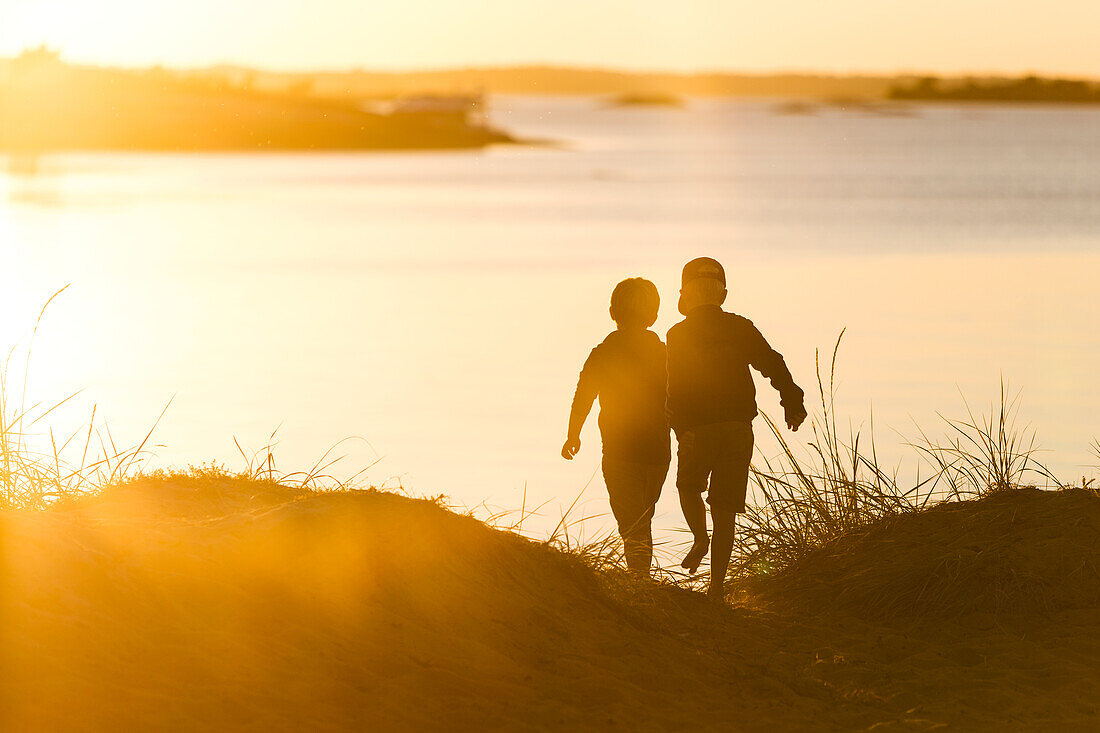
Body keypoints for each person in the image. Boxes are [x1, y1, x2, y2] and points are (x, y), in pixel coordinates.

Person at [666, 257, 807, 599]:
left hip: (698, 429)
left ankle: (700, 537)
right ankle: (716, 588)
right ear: (723, 294)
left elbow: (674, 387)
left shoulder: (677, 333)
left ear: (684, 295)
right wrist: (791, 399)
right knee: (726, 509)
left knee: (688, 488)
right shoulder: (740, 326)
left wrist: (679, 428)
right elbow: (772, 362)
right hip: (737, 429)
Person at [561, 278, 671, 576]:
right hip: (658, 452)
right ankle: (640, 578)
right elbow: (681, 397)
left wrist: (574, 434)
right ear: (654, 317)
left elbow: (583, 395)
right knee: (642, 519)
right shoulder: (665, 354)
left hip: (620, 451)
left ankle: (639, 581)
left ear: (612, 312)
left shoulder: (603, 352)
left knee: (631, 522)